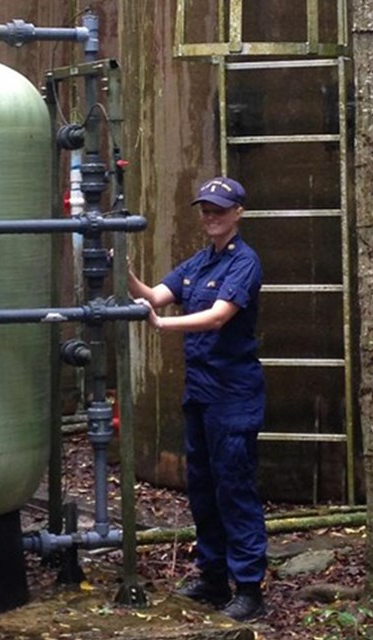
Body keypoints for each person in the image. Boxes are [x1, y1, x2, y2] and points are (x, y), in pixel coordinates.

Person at [128, 176, 267, 622]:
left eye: (219, 209)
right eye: (205, 209)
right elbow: (155, 296)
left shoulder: (244, 263)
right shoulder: (198, 262)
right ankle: (212, 577)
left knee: (235, 490)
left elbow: (218, 317)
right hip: (202, 395)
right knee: (203, 489)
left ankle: (248, 588)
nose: (210, 216)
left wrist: (163, 326)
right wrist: (121, 270)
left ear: (238, 212)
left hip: (234, 397)